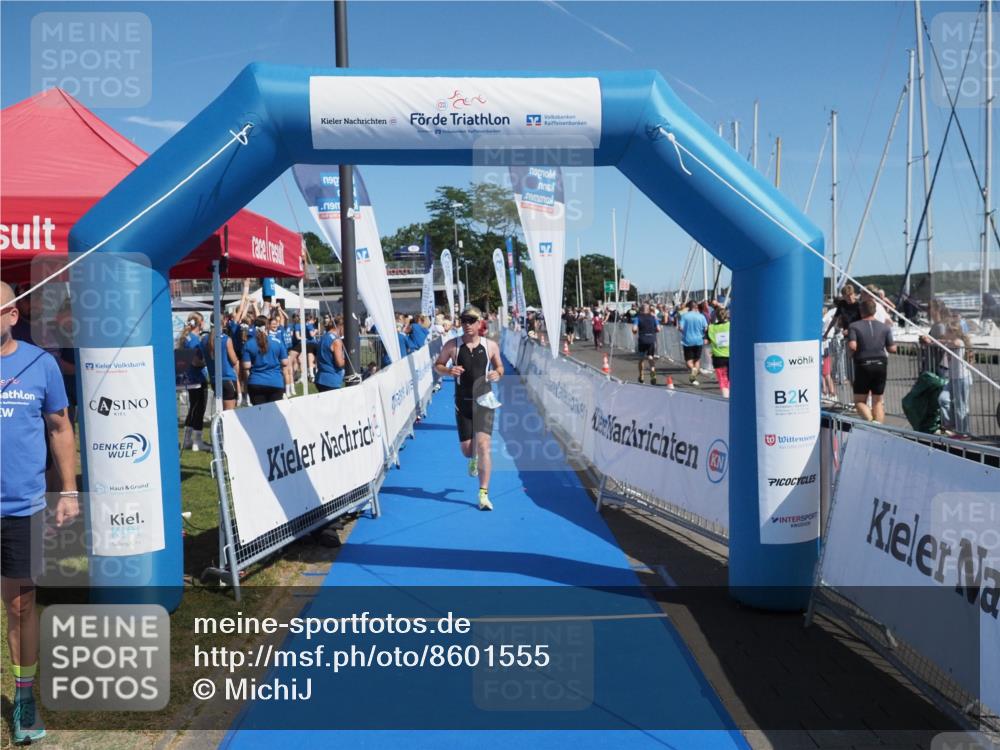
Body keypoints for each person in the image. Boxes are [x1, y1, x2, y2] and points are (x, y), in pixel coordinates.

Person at [1, 281, 79, 743]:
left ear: (12, 315)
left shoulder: (39, 362)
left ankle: (24, 697)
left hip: (22, 508)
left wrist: (68, 490)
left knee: (20, 603)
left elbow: (59, 426)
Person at [433, 305, 503, 511]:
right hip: (462, 402)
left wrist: (497, 374)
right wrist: (448, 370)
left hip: (485, 402)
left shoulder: (490, 346)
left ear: (480, 322)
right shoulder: (452, 346)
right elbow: (438, 365)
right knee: (467, 450)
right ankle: (472, 459)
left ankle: (483, 494)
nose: (467, 324)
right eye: (464, 320)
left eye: (471, 320)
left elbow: (500, 367)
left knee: (484, 447)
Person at [847, 297, 897, 423]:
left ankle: (870, 422)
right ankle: (879, 426)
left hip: (863, 363)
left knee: (859, 400)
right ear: (874, 311)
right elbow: (892, 349)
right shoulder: (885, 327)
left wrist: (850, 353)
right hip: (880, 363)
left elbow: (853, 345)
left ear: (861, 311)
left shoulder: (854, 326)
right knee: (878, 401)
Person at [242, 315, 291, 404]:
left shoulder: (248, 344)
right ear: (267, 326)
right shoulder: (277, 342)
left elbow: (246, 366)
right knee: (273, 415)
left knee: (259, 415)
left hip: (256, 382)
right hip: (275, 382)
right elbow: (285, 362)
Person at [177, 313, 209, 451]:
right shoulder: (195, 340)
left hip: (189, 377)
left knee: (193, 409)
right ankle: (197, 441)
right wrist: (208, 361)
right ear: (200, 323)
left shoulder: (186, 338)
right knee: (199, 409)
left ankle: (187, 440)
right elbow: (196, 361)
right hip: (197, 378)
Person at [203, 317, 240, 411]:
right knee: (229, 413)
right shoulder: (226, 339)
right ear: (223, 323)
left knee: (220, 412)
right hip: (227, 378)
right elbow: (234, 360)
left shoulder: (204, 340)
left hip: (214, 379)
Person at [679, 301, 708, 386]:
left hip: (688, 340)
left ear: (688, 307)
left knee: (689, 361)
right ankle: (693, 377)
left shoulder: (684, 316)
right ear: (696, 307)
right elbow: (706, 328)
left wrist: (684, 332)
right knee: (697, 360)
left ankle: (693, 371)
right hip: (699, 340)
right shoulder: (701, 316)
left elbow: (680, 328)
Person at [632, 303, 661, 384]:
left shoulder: (638, 318)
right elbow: (658, 329)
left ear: (641, 310)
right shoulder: (653, 318)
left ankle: (641, 375)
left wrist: (634, 331)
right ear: (649, 310)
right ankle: (653, 373)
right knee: (651, 357)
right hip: (651, 339)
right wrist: (652, 331)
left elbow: (634, 329)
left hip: (642, 340)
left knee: (641, 359)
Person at [316, 316, 346, 392]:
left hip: (320, 378)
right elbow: (340, 363)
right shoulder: (336, 341)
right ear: (341, 326)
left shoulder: (324, 337)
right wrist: (350, 360)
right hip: (331, 381)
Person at [707, 307, 731, 398]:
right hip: (731, 356)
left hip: (718, 357)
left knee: (722, 380)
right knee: (731, 379)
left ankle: (726, 398)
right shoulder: (731, 325)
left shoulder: (711, 327)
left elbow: (706, 341)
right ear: (727, 315)